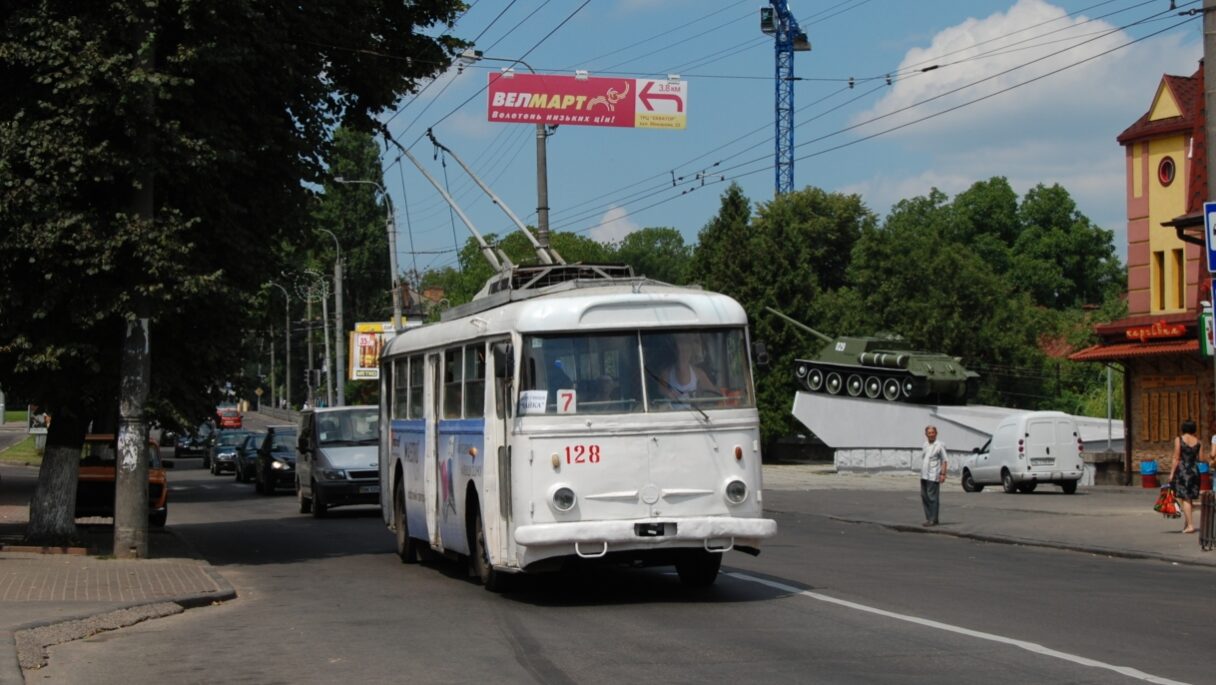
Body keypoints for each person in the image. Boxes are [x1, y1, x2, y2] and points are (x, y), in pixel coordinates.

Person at [657, 333, 715, 405]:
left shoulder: (699, 374)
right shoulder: (666, 374)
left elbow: (714, 394)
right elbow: (660, 394)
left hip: (697, 414)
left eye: (686, 350)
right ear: (675, 352)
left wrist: (701, 397)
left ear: (691, 351)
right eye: (680, 350)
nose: (683, 353)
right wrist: (668, 394)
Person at [1171, 419, 1201, 534]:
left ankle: (1190, 525)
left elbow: (1176, 457)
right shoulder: (1198, 441)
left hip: (1183, 470)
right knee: (1188, 498)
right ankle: (1187, 522)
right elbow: (1201, 458)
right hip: (1194, 470)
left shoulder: (1179, 439)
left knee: (1185, 498)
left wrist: (1172, 473)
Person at [920, 425, 947, 527]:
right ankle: (929, 518)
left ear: (936, 433)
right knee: (924, 496)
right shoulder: (925, 445)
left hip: (933, 475)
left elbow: (944, 460)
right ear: (926, 434)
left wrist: (943, 474)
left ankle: (933, 519)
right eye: (929, 433)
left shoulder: (939, 445)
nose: (931, 435)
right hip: (924, 475)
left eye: (933, 433)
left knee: (932, 497)